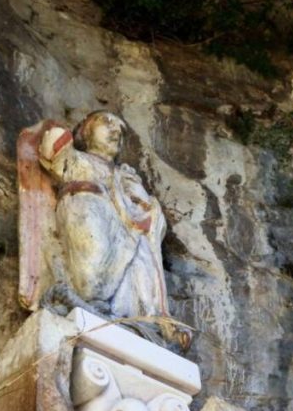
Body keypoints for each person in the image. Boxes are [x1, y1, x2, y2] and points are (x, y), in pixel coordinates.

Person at [19, 111, 187, 347]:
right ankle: (93, 303)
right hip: (87, 210)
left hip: (125, 229)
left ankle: (138, 318)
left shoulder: (126, 175)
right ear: (86, 131)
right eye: (107, 123)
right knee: (93, 267)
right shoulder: (79, 159)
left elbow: (144, 209)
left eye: (120, 128)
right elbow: (54, 156)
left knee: (140, 257)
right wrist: (57, 138)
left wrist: (143, 208)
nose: (116, 130)